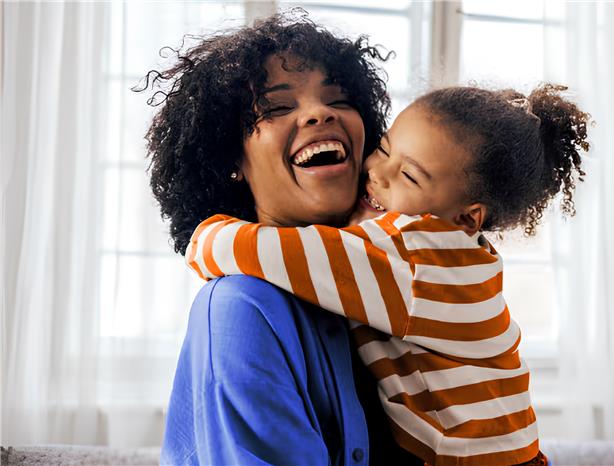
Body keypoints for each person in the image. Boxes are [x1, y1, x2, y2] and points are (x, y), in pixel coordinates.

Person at [185, 84, 590, 465]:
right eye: (383, 149)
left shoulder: (413, 258)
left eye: (409, 176)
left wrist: (205, 236)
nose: (377, 173)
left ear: (466, 217)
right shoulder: (455, 257)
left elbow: (263, 251)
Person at [138, 12, 422, 465]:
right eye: (276, 107)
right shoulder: (240, 307)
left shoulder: (391, 279)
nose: (319, 112)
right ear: (230, 158)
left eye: (339, 98)